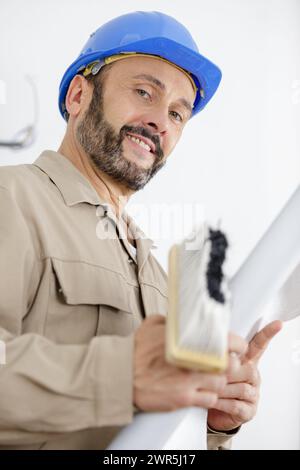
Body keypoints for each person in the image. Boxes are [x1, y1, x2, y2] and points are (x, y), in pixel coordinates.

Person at [0, 11, 282, 450]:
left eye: (177, 113)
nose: (161, 122)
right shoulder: (11, 197)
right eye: (144, 92)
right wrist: (119, 377)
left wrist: (210, 418)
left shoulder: (154, 270)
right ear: (78, 95)